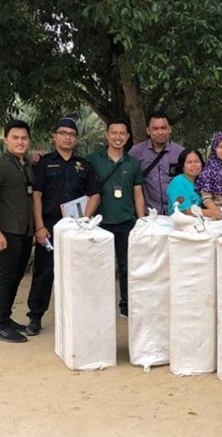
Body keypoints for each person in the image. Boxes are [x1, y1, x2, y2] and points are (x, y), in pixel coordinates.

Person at [26, 116, 101, 336]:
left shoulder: (84, 165)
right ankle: (35, 317)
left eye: (71, 134)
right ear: (55, 137)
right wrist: (39, 227)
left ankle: (78, 317)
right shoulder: (44, 163)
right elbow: (37, 196)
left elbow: (94, 194)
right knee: (44, 271)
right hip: (49, 225)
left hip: (76, 227)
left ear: (76, 139)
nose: (67, 138)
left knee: (78, 272)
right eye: (63, 133)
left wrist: (85, 221)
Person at [0, 120, 35, 342]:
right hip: (7, 231)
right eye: (15, 138)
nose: (20, 142)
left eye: (24, 138)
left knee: (16, 276)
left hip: (24, 231)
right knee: (6, 277)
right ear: (6, 140)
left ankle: (5, 317)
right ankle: (1, 325)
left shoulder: (27, 164)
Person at [86, 118, 145, 318]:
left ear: (127, 137)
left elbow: (138, 193)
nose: (118, 137)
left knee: (126, 267)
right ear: (107, 135)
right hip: (99, 223)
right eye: (114, 133)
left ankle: (126, 305)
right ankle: (98, 308)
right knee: (99, 267)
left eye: (122, 134)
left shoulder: (133, 163)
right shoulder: (93, 160)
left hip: (126, 222)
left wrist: (142, 219)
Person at [128, 111, 184, 214]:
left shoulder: (180, 153)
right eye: (155, 129)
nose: (160, 132)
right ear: (148, 130)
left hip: (176, 212)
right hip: (147, 213)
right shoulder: (136, 152)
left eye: (163, 128)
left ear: (169, 129)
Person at [167, 149, 217, 217]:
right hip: (181, 225)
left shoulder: (204, 181)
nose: (194, 165)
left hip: (202, 224)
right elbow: (184, 211)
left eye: (196, 161)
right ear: (182, 166)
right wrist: (211, 212)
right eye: (189, 162)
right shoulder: (177, 183)